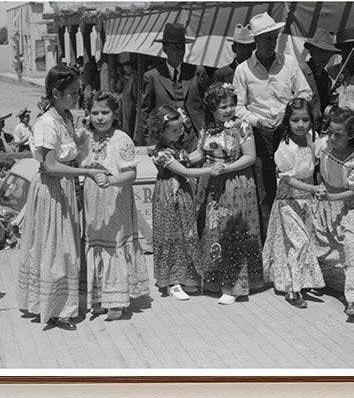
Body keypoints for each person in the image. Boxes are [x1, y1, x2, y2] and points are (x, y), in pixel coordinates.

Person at [16, 63, 111, 330]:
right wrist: (87, 172)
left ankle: (61, 303)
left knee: (66, 245)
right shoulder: (46, 123)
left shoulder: (66, 117)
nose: (76, 97)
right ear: (56, 93)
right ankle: (56, 308)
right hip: (51, 189)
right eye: (71, 92)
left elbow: (71, 153)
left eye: (77, 91)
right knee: (56, 247)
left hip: (66, 187)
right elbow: (50, 165)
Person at [233, 11, 314, 227]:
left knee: (292, 182)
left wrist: (287, 113)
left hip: (287, 133)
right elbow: (237, 107)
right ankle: (269, 235)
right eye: (266, 39)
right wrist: (257, 120)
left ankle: (295, 230)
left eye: (274, 38)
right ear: (256, 41)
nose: (271, 43)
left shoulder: (289, 63)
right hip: (258, 136)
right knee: (263, 186)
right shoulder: (243, 70)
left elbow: (305, 93)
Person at [79, 91, 149, 321]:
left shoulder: (122, 139)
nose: (99, 118)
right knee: (96, 244)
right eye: (95, 113)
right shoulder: (86, 138)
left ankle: (116, 301)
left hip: (115, 198)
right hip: (92, 198)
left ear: (115, 114)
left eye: (105, 112)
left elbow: (131, 174)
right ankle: (99, 298)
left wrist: (110, 181)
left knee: (114, 245)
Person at [194, 83, 263, 304]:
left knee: (233, 231)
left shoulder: (242, 126)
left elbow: (249, 157)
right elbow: (199, 154)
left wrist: (225, 168)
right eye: (223, 106)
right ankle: (215, 281)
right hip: (212, 184)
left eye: (232, 105)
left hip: (236, 183)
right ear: (212, 108)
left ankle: (233, 286)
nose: (229, 110)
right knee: (214, 230)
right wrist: (178, 159)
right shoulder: (207, 127)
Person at [309, 108, 354, 320]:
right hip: (324, 204)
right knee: (322, 250)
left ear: (351, 135)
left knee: (350, 251)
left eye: (339, 134)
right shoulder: (324, 145)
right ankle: (327, 281)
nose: (332, 137)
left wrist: (331, 196)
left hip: (348, 207)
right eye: (330, 132)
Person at [262, 97, 326, 307]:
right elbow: (289, 179)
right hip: (289, 202)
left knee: (304, 242)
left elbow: (320, 161)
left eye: (305, 120)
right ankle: (293, 288)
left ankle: (306, 280)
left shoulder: (311, 139)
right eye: (295, 120)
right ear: (287, 121)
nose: (300, 125)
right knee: (300, 242)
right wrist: (313, 189)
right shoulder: (285, 147)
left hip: (306, 202)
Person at [149, 106, 216, 300]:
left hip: (183, 193)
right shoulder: (161, 152)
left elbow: (195, 156)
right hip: (169, 194)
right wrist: (209, 170)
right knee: (170, 234)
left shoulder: (176, 148)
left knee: (186, 233)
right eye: (174, 130)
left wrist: (204, 139)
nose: (179, 133)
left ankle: (186, 276)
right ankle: (172, 281)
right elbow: (184, 171)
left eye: (180, 129)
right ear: (161, 131)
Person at [139, 22, 203, 146]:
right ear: (165, 49)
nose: (179, 52)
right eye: (175, 47)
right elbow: (145, 112)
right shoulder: (152, 77)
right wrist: (150, 141)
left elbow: (206, 105)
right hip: (165, 140)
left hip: (193, 138)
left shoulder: (196, 72)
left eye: (182, 47)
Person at [296, 28, 341, 118]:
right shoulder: (302, 71)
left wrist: (331, 96)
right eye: (321, 51)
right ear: (311, 51)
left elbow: (324, 103)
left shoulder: (325, 76)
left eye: (328, 52)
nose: (324, 56)